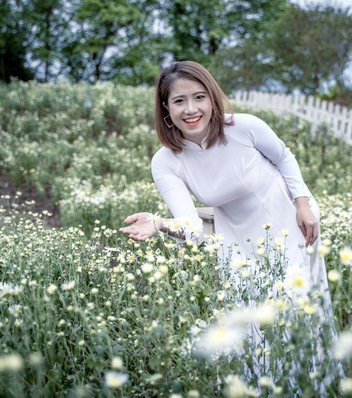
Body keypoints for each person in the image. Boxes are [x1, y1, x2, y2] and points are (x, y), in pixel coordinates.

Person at [119, 60, 329, 296]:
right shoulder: (165, 162)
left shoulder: (244, 126)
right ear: (166, 107)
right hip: (235, 241)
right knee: (251, 318)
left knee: (296, 304)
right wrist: (159, 223)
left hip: (289, 220)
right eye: (179, 101)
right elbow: (193, 230)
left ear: (212, 98)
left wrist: (303, 204)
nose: (190, 109)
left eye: (199, 97)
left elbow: (283, 157)